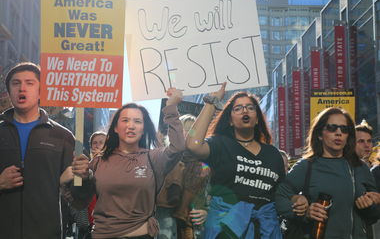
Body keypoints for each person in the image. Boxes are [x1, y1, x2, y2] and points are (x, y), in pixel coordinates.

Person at [62, 88, 185, 239]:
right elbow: (80, 203)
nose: (131, 125)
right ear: (115, 128)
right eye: (125, 120)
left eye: (137, 121)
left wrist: (171, 109)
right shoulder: (98, 162)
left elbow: (178, 147)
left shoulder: (154, 158)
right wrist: (74, 180)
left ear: (143, 128)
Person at [186, 83, 288, 239]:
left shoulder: (273, 154)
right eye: (238, 108)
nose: (245, 110)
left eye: (250, 107)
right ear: (230, 120)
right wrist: (211, 102)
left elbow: (282, 192)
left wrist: (296, 199)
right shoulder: (220, 144)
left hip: (265, 230)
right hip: (226, 228)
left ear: (257, 119)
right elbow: (192, 145)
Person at [275, 107, 380, 239]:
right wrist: (305, 212)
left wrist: (370, 206)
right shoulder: (307, 166)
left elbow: (374, 216)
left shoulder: (361, 168)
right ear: (319, 134)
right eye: (332, 128)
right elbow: (279, 197)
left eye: (344, 129)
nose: (338, 133)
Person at [0, 62, 75, 239]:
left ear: (41, 91)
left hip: (46, 233)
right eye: (16, 83)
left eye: (30, 83)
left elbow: (77, 195)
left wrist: (84, 177)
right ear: (9, 91)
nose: (22, 88)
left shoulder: (63, 136)